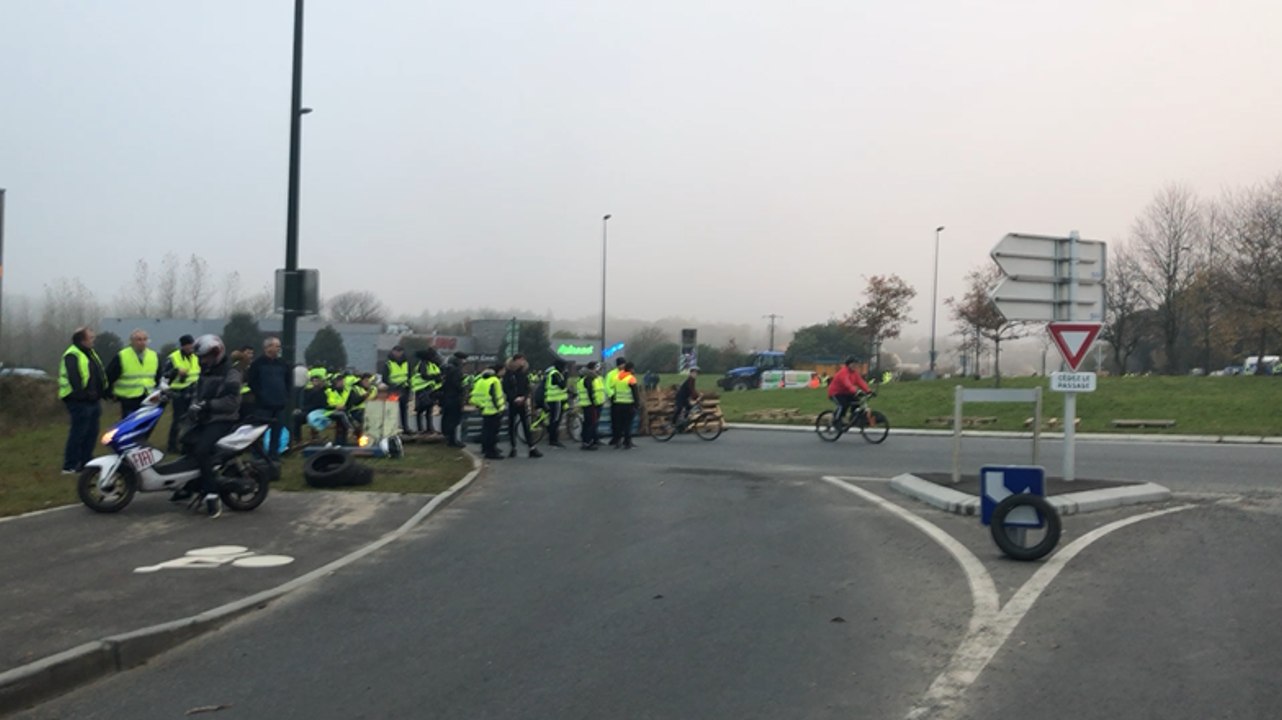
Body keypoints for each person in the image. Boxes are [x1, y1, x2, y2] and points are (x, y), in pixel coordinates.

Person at [182, 335, 241, 518]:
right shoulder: (206, 371)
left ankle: (212, 494)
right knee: (185, 441)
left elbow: (231, 402)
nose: (202, 361)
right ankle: (192, 485)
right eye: (200, 358)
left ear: (216, 353)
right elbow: (198, 394)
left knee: (202, 450)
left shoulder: (231, 373)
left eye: (205, 357)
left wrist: (207, 405)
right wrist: (192, 405)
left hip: (223, 419)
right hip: (206, 419)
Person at [58, 327, 107, 474]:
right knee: (78, 433)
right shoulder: (72, 354)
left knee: (92, 432)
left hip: (92, 400)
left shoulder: (90, 353)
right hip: (78, 401)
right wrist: (84, 395)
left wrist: (102, 392)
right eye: (91, 338)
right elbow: (75, 379)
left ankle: (86, 461)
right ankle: (70, 465)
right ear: (82, 340)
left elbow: (97, 374)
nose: (93, 340)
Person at [245, 337, 291, 460]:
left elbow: (288, 381)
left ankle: (273, 455)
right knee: (259, 431)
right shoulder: (257, 364)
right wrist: (261, 395)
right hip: (263, 405)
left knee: (277, 431)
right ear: (268, 347)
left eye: (279, 346)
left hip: (279, 403)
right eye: (276, 346)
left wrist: (285, 395)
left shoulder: (283, 364)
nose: (278, 348)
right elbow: (252, 382)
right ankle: (257, 455)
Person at [105, 329, 160, 420]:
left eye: (144, 339)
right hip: (129, 399)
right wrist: (110, 394)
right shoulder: (122, 355)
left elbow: (158, 376)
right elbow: (109, 376)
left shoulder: (153, 355)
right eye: (139, 339)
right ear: (132, 341)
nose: (142, 342)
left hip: (148, 398)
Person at [165, 335, 201, 453]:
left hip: (194, 392)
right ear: (183, 345)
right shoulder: (173, 358)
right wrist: (176, 372)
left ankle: (188, 445)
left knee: (193, 420)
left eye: (192, 344)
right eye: (188, 344)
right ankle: (172, 445)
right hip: (179, 393)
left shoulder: (197, 356)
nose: (191, 347)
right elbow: (165, 375)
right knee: (178, 420)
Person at [502, 354, 543, 459]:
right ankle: (513, 447)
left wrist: (524, 397)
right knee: (511, 425)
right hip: (512, 402)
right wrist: (514, 398)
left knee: (526, 424)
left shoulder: (523, 373)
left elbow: (527, 387)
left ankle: (531, 447)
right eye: (520, 360)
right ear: (515, 361)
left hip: (522, 402)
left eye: (523, 360)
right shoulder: (509, 374)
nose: (523, 362)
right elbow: (506, 388)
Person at [469, 364, 506, 460]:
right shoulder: (494, 381)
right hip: (493, 410)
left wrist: (480, 406)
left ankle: (485, 449)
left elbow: (475, 395)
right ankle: (491, 452)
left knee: (486, 431)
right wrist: (499, 409)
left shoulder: (480, 380)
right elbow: (494, 396)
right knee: (492, 433)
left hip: (484, 409)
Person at [828, 355, 872, 427]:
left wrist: (868, 391)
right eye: (853, 364)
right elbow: (847, 383)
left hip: (847, 393)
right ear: (848, 364)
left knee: (857, 402)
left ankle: (853, 419)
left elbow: (860, 382)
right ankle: (837, 420)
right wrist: (855, 391)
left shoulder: (855, 373)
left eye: (856, 364)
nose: (855, 366)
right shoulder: (843, 372)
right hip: (836, 393)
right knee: (843, 405)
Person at [381, 346, 412, 434]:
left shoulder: (406, 363)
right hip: (393, 390)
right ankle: (391, 428)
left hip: (404, 388)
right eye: (396, 351)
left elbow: (409, 376)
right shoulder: (388, 364)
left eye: (400, 351)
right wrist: (392, 385)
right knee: (392, 410)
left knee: (404, 409)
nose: (398, 353)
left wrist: (408, 386)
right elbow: (385, 378)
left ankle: (405, 428)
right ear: (393, 352)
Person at [440, 352, 468, 448]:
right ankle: (452, 441)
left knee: (447, 419)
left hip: (446, 398)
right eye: (463, 359)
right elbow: (457, 384)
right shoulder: (456, 371)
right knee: (454, 420)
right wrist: (463, 388)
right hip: (454, 398)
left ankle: (447, 438)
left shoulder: (446, 369)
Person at [609, 361, 640, 449]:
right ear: (631, 369)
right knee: (628, 424)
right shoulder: (631, 378)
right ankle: (627, 442)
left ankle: (618, 441)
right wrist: (637, 404)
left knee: (619, 424)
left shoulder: (617, 377)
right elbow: (635, 393)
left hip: (618, 404)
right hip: (628, 404)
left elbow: (614, 390)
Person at [576, 361, 605, 451]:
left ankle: (591, 440)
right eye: (597, 368)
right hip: (591, 405)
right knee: (591, 423)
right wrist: (594, 402)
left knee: (589, 423)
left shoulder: (586, 377)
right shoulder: (588, 378)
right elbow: (590, 392)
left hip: (588, 404)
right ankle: (587, 442)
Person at [543, 359, 569, 448]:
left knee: (554, 419)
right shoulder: (555, 374)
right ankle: (553, 439)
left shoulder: (553, 373)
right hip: (555, 400)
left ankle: (553, 438)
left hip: (554, 399)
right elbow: (562, 385)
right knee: (555, 420)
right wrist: (566, 376)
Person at [604, 356, 626, 446]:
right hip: (615, 400)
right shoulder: (611, 374)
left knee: (624, 420)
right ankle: (616, 437)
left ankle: (623, 437)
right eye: (621, 364)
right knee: (615, 420)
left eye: (624, 364)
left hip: (625, 399)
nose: (623, 366)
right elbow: (607, 386)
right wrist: (611, 395)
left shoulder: (627, 373)